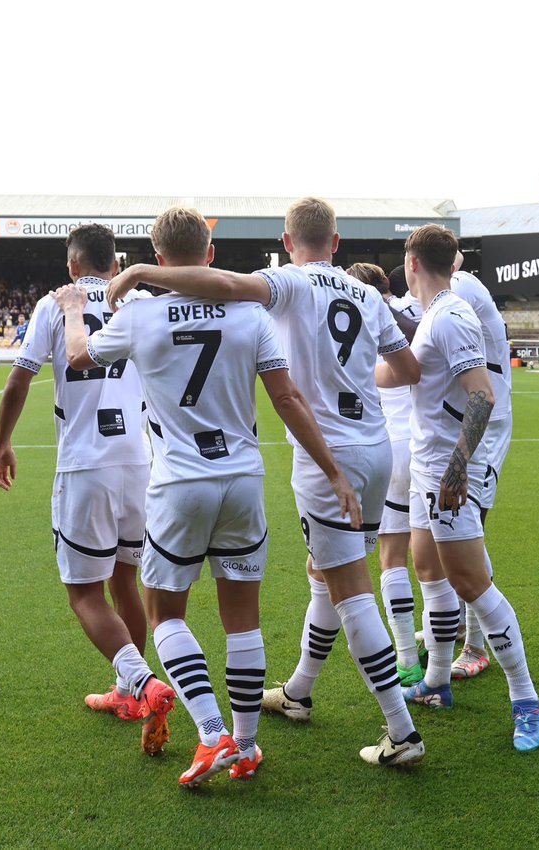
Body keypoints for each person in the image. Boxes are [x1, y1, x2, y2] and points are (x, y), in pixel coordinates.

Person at [107, 197, 426, 767]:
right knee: (326, 573)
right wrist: (350, 376)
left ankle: (402, 732)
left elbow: (221, 285)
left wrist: (142, 272)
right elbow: (406, 372)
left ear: (287, 241)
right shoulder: (370, 293)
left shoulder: (287, 284)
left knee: (351, 586)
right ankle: (299, 691)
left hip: (326, 453)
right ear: (336, 242)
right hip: (378, 446)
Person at [58, 206, 361, 786]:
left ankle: (210, 731)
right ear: (212, 254)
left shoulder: (141, 315)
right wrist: (334, 473)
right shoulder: (250, 315)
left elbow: (78, 357)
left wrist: (76, 311)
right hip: (243, 478)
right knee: (242, 620)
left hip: (178, 483)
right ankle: (246, 746)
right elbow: (289, 399)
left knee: (166, 613)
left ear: (158, 256)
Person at [0, 224, 174, 756]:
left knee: (84, 592)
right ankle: (127, 690)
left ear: (73, 266)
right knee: (125, 581)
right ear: (114, 264)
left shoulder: (54, 303)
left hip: (85, 463)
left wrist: (2, 443)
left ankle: (141, 684)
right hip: (139, 461)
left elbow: (19, 379)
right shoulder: (137, 301)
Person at [400, 225, 539, 752]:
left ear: (412, 261)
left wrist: (458, 469)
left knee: (470, 581)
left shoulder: (454, 312)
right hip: (425, 463)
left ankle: (526, 699)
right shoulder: (434, 310)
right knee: (427, 567)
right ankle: (437, 682)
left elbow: (480, 395)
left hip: (446, 467)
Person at [346, 261, 424, 685]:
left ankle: (408, 660)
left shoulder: (357, 324)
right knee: (435, 556)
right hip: (426, 444)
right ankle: (450, 642)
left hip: (389, 448)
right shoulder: (414, 319)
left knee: (391, 557)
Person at [447, 253, 514, 680]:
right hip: (471, 416)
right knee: (452, 526)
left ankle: (476, 645)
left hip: (488, 420)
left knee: (471, 528)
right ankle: (456, 623)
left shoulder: (462, 286)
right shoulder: (451, 290)